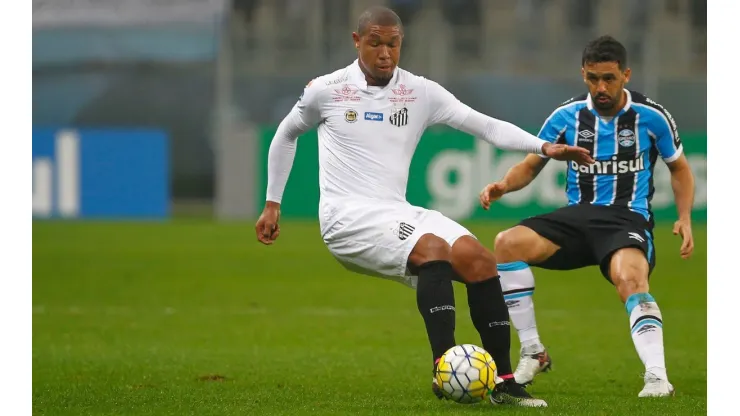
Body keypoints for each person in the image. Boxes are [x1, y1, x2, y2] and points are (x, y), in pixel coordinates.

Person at [255, 6, 592, 408]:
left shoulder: (420, 92)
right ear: (356, 41)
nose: (385, 53)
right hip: (346, 217)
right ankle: (444, 372)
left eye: (393, 44)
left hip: (396, 209)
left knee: (479, 259)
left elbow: (483, 125)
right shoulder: (326, 90)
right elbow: (286, 134)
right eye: (375, 43)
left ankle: (504, 382)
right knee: (432, 247)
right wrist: (272, 202)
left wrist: (544, 147)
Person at [479, 35, 695, 397]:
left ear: (626, 75)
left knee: (630, 279)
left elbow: (680, 170)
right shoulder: (567, 115)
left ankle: (657, 377)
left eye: (609, 78)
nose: (601, 87)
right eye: (593, 78)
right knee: (506, 244)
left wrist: (684, 217)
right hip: (576, 219)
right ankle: (533, 351)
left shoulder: (652, 116)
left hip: (626, 220)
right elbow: (532, 164)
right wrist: (503, 185)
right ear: (583, 74)